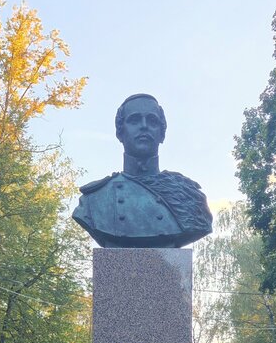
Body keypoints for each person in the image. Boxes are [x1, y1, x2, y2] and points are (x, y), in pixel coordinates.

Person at [72, 94, 213, 248]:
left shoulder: (189, 196)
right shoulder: (93, 201)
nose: (144, 126)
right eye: (134, 120)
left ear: (162, 133)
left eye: (152, 121)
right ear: (120, 132)